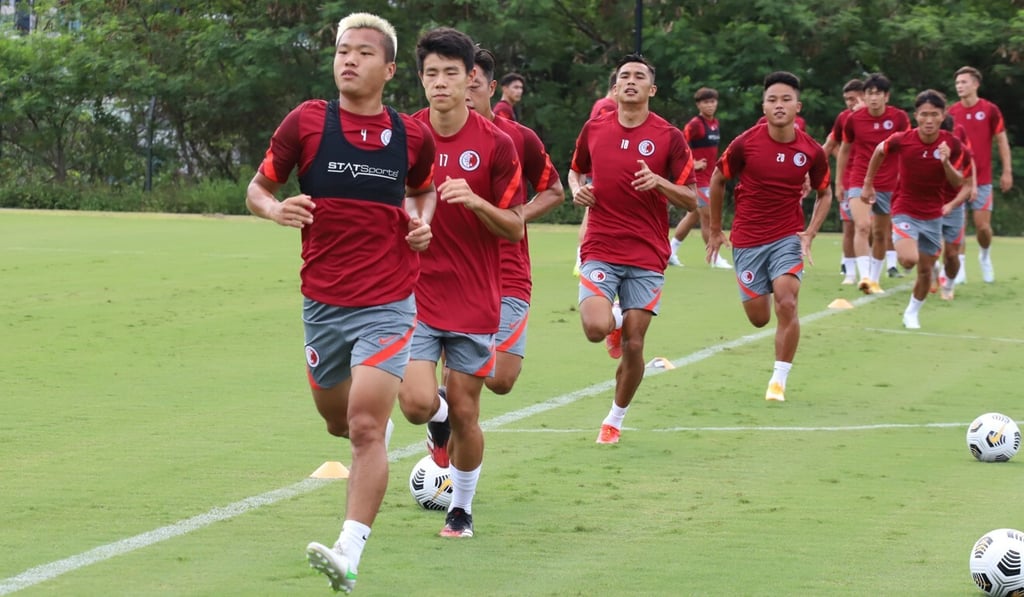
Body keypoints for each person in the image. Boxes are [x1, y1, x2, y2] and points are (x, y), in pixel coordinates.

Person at [245, 13, 437, 594]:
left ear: (389, 68)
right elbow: (259, 187)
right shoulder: (306, 122)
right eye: (342, 51)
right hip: (322, 304)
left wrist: (421, 223)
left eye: (362, 53)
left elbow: (423, 189)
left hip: (389, 302)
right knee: (336, 420)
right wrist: (276, 209)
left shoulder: (411, 135)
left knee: (364, 426)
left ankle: (348, 551)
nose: (348, 61)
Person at [400, 26, 525, 539]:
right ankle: (439, 408)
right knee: (414, 405)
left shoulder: (495, 144)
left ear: (469, 77)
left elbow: (515, 224)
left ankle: (462, 509)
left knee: (469, 412)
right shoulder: (404, 135)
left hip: (475, 297)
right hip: (415, 293)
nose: (441, 83)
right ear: (421, 79)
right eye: (431, 73)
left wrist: (476, 202)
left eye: (451, 73)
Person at [569, 53, 698, 444]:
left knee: (635, 344)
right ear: (615, 87)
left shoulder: (669, 136)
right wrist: (578, 191)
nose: (630, 81)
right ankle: (614, 320)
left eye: (639, 76)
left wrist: (658, 182)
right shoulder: (594, 129)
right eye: (624, 76)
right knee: (594, 327)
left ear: (651, 89)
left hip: (646, 253)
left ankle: (615, 418)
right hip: (601, 246)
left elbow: (692, 199)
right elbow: (575, 170)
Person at [706, 71, 832, 403]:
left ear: (797, 106)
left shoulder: (811, 151)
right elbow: (718, 180)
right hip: (747, 239)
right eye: (772, 100)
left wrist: (810, 231)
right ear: (763, 107)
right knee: (759, 317)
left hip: (787, 237)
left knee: (787, 301)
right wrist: (716, 229)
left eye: (786, 99)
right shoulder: (745, 143)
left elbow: (825, 193)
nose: (779, 105)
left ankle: (779, 379)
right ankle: (758, 303)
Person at [466, 47, 565, 394]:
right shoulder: (427, 134)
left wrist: (514, 217)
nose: (465, 95)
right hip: (453, 271)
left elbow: (554, 191)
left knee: (500, 379)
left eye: (473, 87)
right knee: (460, 383)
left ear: (492, 88)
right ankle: (442, 443)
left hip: (508, 269)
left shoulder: (518, 137)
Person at [861, 89, 965, 329]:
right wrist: (868, 184)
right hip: (905, 208)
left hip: (933, 215)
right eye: (924, 114)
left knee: (925, 273)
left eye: (934, 115)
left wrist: (946, 162)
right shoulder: (902, 139)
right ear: (916, 115)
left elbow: (958, 182)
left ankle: (911, 312)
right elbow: (879, 151)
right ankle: (911, 259)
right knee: (908, 260)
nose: (929, 120)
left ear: (942, 116)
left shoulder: (951, 143)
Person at [836, 72, 910, 295]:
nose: (874, 98)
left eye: (878, 93)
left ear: (886, 96)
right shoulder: (854, 120)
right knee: (861, 226)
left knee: (880, 234)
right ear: (864, 96)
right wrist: (839, 182)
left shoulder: (899, 118)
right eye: (870, 93)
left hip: (889, 183)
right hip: (858, 180)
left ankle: (875, 278)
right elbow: (844, 150)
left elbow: (908, 147)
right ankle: (865, 276)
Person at [948, 65, 1013, 284]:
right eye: (957, 83)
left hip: (983, 178)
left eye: (964, 82)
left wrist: (1007, 171)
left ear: (976, 84)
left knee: (982, 226)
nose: (960, 86)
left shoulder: (990, 110)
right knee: (959, 225)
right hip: (958, 178)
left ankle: (985, 256)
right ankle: (961, 269)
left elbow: (1001, 140)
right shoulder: (952, 112)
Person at [668, 87, 732, 269]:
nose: (710, 105)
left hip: (710, 177)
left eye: (712, 101)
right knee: (709, 217)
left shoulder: (715, 124)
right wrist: (692, 163)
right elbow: (678, 142)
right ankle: (714, 257)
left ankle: (670, 252)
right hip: (698, 180)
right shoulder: (695, 124)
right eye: (705, 102)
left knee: (692, 217)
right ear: (698, 105)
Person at [572, 69, 617, 277]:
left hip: (596, 168)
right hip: (600, 170)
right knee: (591, 215)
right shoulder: (607, 107)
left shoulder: (602, 104)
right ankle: (581, 257)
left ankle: (582, 258)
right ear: (615, 87)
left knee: (590, 214)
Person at [821, 79, 864, 284]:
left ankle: (871, 268)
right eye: (847, 99)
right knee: (850, 227)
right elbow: (829, 145)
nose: (850, 103)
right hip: (849, 181)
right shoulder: (844, 118)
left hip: (878, 182)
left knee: (873, 229)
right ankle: (850, 271)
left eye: (853, 98)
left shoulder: (876, 118)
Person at [935, 114, 975, 300]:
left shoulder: (960, 150)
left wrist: (951, 204)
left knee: (951, 254)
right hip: (927, 205)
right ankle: (933, 272)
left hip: (953, 206)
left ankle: (949, 285)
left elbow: (964, 184)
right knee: (925, 253)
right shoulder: (919, 147)